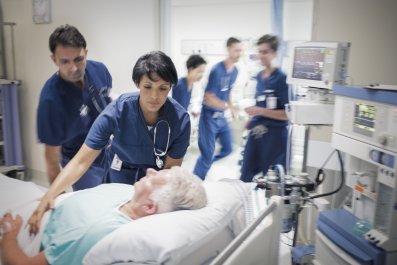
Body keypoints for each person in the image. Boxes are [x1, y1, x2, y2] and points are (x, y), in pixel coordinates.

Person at [28, 51, 191, 235]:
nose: (155, 96)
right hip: (117, 175)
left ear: (170, 88)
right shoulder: (119, 109)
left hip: (151, 184)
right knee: (107, 225)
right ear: (137, 84)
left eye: (163, 88)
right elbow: (82, 160)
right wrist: (49, 196)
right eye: (148, 86)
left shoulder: (180, 120)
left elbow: (169, 173)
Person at [0, 166, 207, 265]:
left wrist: (9, 235)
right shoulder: (127, 192)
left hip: (25, 223)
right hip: (41, 200)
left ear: (150, 207)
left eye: (154, 178)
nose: (150, 170)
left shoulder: (95, 234)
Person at [37, 24, 112, 191]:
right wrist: (60, 200)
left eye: (78, 59)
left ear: (85, 52)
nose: (74, 68)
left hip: (109, 150)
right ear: (54, 59)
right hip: (80, 161)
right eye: (65, 61)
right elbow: (51, 160)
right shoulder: (50, 101)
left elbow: (108, 104)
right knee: (91, 205)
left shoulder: (100, 70)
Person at [240, 34, 289, 183]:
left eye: (265, 52)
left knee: (273, 181)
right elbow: (260, 104)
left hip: (275, 136)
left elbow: (287, 114)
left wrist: (259, 111)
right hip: (257, 132)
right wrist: (251, 118)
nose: (261, 55)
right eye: (260, 51)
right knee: (246, 174)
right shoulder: (259, 77)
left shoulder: (281, 78)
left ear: (274, 53)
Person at [193, 37, 242, 179]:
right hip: (209, 117)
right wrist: (227, 107)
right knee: (207, 153)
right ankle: (196, 180)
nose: (239, 53)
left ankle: (207, 163)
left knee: (228, 148)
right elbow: (208, 97)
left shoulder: (235, 71)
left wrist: (232, 106)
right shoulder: (217, 70)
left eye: (240, 50)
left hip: (221, 117)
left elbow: (228, 91)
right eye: (236, 50)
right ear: (228, 49)